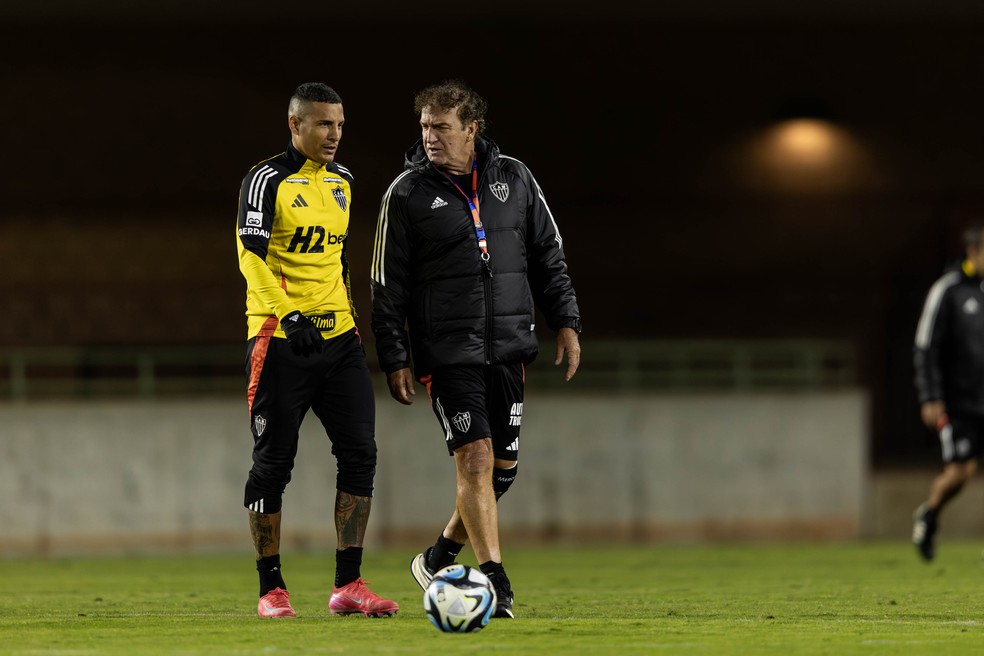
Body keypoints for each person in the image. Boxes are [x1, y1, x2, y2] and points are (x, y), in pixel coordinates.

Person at [369, 79, 582, 619]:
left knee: (502, 470)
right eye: (424, 127)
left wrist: (567, 321)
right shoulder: (408, 193)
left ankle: (438, 556)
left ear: (472, 129)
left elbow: (547, 254)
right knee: (476, 458)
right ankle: (495, 581)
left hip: (509, 346)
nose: (431, 137)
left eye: (441, 127)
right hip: (447, 350)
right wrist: (394, 354)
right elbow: (386, 282)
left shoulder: (515, 177)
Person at [235, 82, 398, 618]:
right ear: (295, 124)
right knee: (273, 465)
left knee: (360, 454)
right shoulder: (266, 180)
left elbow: (337, 259)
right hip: (280, 339)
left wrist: (347, 320)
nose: (335, 135)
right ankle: (270, 588)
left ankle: (348, 584)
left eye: (341, 125)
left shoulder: (345, 182)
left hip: (339, 340)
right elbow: (251, 257)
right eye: (325, 124)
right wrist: (287, 313)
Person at [911, 220, 984, 562]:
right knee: (960, 473)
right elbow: (926, 346)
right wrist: (930, 396)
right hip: (958, 403)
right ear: (973, 251)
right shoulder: (949, 289)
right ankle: (929, 514)